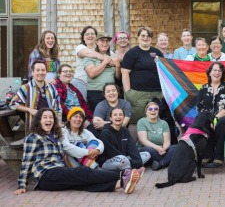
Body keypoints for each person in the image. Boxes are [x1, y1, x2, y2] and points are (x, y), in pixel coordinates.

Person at [13, 108, 143, 195]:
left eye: (51, 117)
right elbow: (27, 161)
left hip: (59, 171)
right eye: (45, 118)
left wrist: (95, 150)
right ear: (39, 120)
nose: (48, 120)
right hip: (45, 175)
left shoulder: (57, 135)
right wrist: (21, 185)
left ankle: (120, 184)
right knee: (83, 172)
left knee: (83, 183)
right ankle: (124, 174)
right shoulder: (33, 137)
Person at [121, 26, 163, 139]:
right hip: (137, 94)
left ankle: (151, 148)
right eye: (143, 35)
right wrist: (128, 92)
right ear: (138, 37)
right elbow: (124, 72)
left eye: (148, 36)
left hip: (155, 94)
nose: (145, 38)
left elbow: (164, 72)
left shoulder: (157, 52)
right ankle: (132, 149)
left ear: (151, 38)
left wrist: (163, 92)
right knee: (135, 122)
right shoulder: (132, 53)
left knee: (154, 121)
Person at [197, 62, 225, 167]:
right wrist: (210, 120)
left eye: (219, 71)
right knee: (202, 121)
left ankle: (219, 157)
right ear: (209, 73)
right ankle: (207, 155)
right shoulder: (203, 88)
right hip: (209, 118)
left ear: (222, 73)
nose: (217, 73)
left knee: (223, 122)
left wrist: (216, 118)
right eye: (214, 70)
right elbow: (200, 107)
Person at [10, 60, 61, 130]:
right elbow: (13, 104)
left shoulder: (52, 88)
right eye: (37, 70)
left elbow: (58, 108)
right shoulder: (26, 88)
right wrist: (29, 110)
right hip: (34, 128)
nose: (40, 72)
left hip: (50, 127)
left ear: (46, 72)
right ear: (32, 73)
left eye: (43, 70)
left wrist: (58, 124)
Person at [83, 32, 121, 112]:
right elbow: (91, 74)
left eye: (107, 41)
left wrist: (118, 66)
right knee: (98, 117)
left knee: (112, 117)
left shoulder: (113, 56)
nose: (105, 43)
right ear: (96, 42)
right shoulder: (90, 56)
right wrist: (105, 62)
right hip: (96, 92)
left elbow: (118, 77)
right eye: (102, 41)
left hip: (111, 92)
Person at [72, 26, 110, 100]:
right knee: (81, 107)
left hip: (95, 86)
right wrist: (106, 59)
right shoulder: (80, 47)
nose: (90, 36)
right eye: (87, 34)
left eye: (92, 34)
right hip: (81, 82)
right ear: (83, 37)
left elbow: (114, 57)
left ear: (96, 37)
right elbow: (89, 53)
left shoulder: (101, 49)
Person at [137, 101, 177, 171]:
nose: (153, 110)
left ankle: (160, 164)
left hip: (162, 150)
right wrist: (157, 148)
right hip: (147, 149)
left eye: (156, 109)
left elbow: (167, 141)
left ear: (158, 111)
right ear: (146, 112)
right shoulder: (141, 122)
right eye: (150, 109)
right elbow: (143, 141)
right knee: (149, 151)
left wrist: (163, 149)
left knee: (176, 148)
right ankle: (166, 161)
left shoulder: (164, 123)